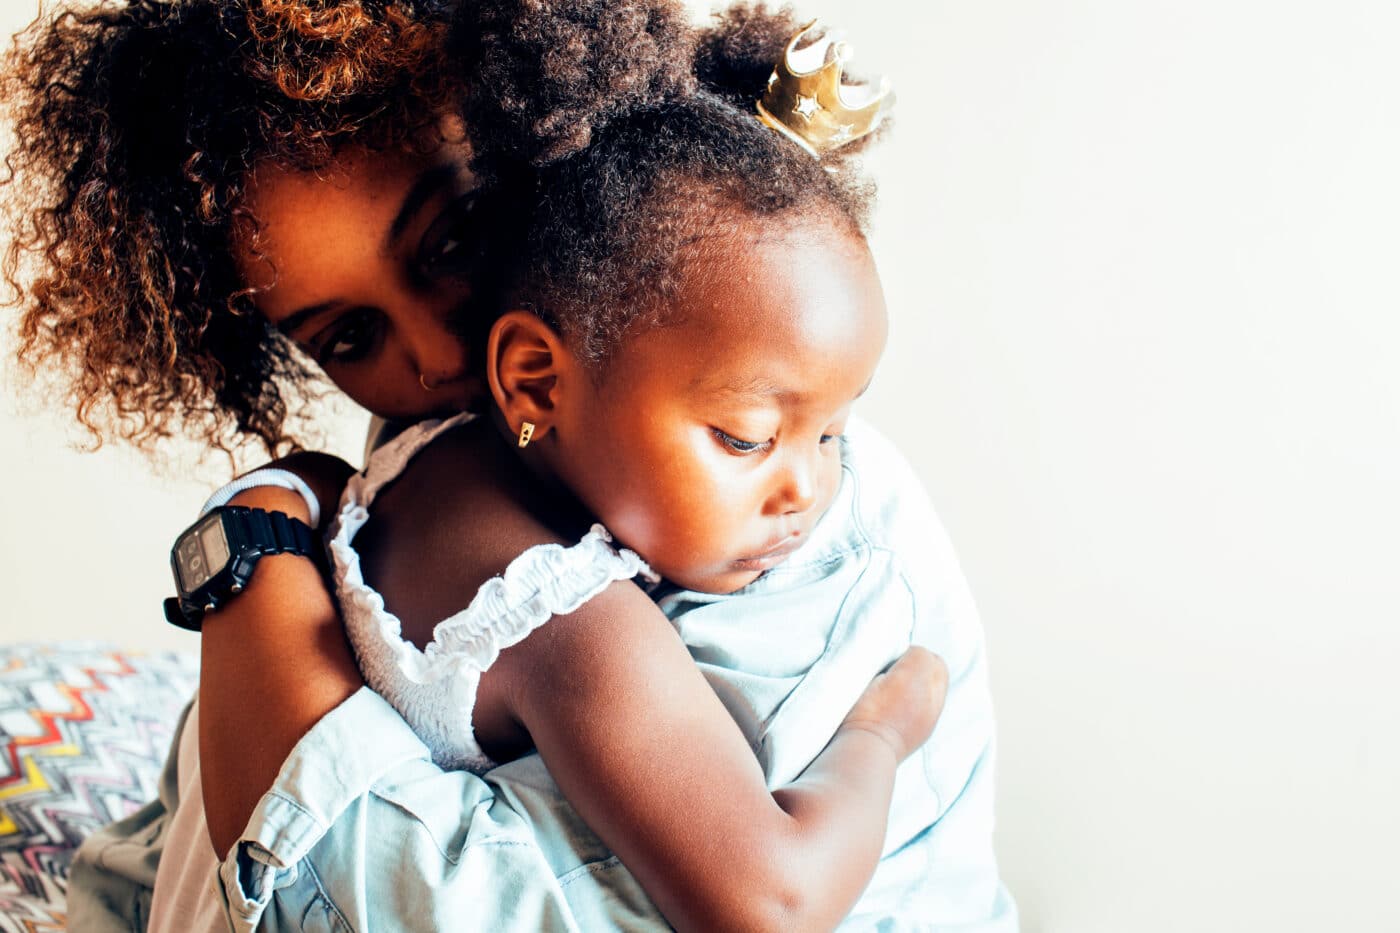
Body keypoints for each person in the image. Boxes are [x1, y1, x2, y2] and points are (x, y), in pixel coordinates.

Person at [0, 1, 994, 930]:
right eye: (350, 337)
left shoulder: (805, 541)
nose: (437, 356)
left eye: (451, 241)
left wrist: (254, 541)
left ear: (539, 140)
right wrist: (878, 734)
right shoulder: (522, 560)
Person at [299, 0, 1016, 929]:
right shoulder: (556, 612)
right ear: (534, 380)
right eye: (746, 438)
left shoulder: (426, 462)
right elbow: (775, 900)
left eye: (833, 433)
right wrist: (881, 731)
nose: (807, 492)